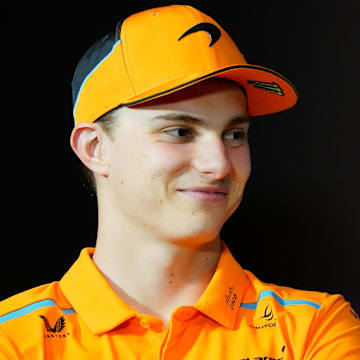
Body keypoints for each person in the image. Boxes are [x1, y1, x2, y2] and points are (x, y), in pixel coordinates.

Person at [1, 4, 359, 359]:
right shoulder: (13, 339)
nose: (219, 164)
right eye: (180, 131)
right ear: (95, 148)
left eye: (235, 135)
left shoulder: (315, 329)